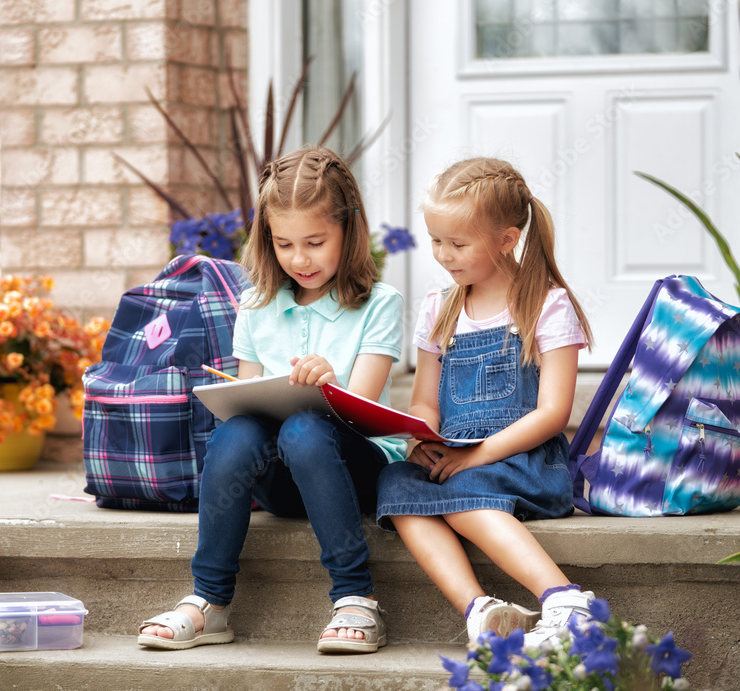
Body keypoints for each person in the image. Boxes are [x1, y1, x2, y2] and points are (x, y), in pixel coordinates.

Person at [138, 146, 405, 654]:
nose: (299, 259)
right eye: (284, 244)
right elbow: (248, 404)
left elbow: (368, 416)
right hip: (284, 483)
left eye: (315, 242)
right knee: (237, 432)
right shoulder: (256, 305)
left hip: (358, 470)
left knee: (305, 429)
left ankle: (355, 597)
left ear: (349, 231)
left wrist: (329, 384)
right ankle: (210, 601)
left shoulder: (379, 304)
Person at [375, 157, 595, 649]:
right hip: (458, 458)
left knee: (461, 486)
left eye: (457, 243)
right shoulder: (439, 309)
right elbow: (425, 402)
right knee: (395, 481)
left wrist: (475, 454)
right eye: (435, 240)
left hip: (527, 461)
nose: (443, 255)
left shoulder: (546, 304)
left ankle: (564, 600)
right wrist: (420, 437)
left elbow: (552, 413)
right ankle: (481, 609)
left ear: (507, 238)